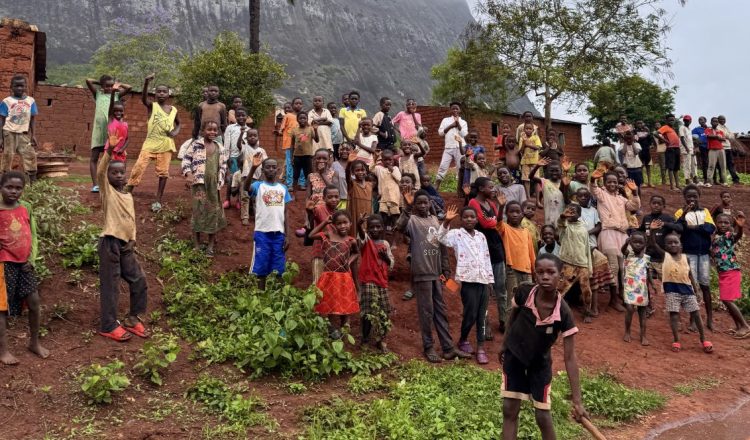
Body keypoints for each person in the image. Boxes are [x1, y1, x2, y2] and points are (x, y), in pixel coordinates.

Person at [500, 254, 587, 440]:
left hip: (539, 364)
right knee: (509, 410)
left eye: (550, 272)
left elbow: (570, 357)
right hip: (514, 356)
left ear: (560, 276)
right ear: (535, 274)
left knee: (542, 416)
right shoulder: (524, 292)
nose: (545, 277)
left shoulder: (563, 311)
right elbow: (513, 317)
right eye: (540, 272)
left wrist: (577, 401)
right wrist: (504, 343)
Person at [396, 190, 470, 362]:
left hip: (436, 274)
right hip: (422, 273)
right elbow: (399, 227)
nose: (423, 205)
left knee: (440, 311)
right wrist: (407, 207)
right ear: (415, 205)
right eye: (419, 203)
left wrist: (445, 269)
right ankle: (428, 346)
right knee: (426, 312)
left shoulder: (435, 220)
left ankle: (448, 348)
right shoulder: (412, 221)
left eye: (425, 202)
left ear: (430, 203)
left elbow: (441, 244)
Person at [96, 142, 148, 342]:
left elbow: (131, 219)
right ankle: (108, 325)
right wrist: (109, 152)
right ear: (107, 178)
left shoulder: (127, 195)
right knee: (111, 286)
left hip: (126, 245)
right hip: (110, 243)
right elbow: (101, 170)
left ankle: (132, 318)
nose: (118, 176)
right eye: (114, 173)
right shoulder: (107, 193)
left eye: (121, 173)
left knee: (139, 280)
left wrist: (133, 239)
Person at [0, 171, 48, 364]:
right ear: (1, 188)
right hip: (4, 265)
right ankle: (3, 351)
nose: (14, 191)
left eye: (18, 188)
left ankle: (34, 342)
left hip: (25, 265)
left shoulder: (26, 207)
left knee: (34, 302)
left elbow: (33, 235)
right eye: (9, 187)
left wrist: (32, 259)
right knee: (2, 309)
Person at [438, 204, 494, 365]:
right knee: (470, 314)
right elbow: (441, 238)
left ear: (477, 219)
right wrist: (446, 222)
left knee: (482, 315)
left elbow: (486, 258)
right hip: (468, 281)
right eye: (466, 217)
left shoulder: (481, 237)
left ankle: (481, 347)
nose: (469, 219)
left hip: (483, 280)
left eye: (472, 217)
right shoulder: (456, 234)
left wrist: (489, 280)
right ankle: (463, 339)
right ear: (461, 220)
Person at [648, 224, 713, 353]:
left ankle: (703, 338)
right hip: (672, 292)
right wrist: (652, 231)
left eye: (675, 242)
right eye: (669, 243)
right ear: (665, 246)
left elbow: (690, 275)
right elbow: (653, 243)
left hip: (688, 291)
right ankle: (676, 340)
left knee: (696, 313)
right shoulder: (665, 256)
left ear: (680, 245)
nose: (672, 245)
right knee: (674, 315)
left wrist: (696, 290)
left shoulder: (686, 258)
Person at [125, 74, 180, 212]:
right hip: (150, 143)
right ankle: (127, 191)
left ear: (168, 94)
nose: (161, 93)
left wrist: (175, 132)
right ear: (155, 94)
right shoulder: (152, 106)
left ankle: (158, 200)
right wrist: (146, 82)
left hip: (165, 145)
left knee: (163, 173)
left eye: (164, 91)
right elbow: (143, 98)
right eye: (159, 91)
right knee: (138, 167)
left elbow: (178, 124)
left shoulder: (173, 110)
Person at [592, 172, 640, 312]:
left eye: (614, 182)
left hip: (622, 235)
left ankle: (625, 297)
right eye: (609, 182)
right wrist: (593, 179)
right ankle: (613, 300)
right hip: (608, 233)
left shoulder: (621, 199)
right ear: (605, 183)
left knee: (624, 267)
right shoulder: (602, 194)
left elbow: (634, 206)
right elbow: (593, 189)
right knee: (614, 267)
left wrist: (635, 192)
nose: (612, 184)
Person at [309, 210, 360, 340]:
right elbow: (311, 235)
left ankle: (344, 328)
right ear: (334, 225)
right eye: (339, 223)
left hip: (344, 277)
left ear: (350, 224)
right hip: (329, 277)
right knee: (330, 303)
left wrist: (349, 261)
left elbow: (356, 253)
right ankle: (331, 329)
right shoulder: (327, 235)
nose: (343, 226)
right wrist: (325, 222)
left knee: (344, 301)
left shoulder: (351, 240)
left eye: (345, 223)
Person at [467, 177, 507, 335]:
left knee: (501, 288)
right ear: (482, 189)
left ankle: (504, 320)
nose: (494, 190)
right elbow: (485, 223)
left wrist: (501, 207)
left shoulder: (491, 203)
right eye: (491, 187)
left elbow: (498, 221)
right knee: (484, 291)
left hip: (496, 248)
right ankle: (485, 325)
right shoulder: (473, 203)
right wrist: (495, 219)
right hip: (482, 251)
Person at [181, 121, 228, 256]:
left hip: (214, 185)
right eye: (209, 130)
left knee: (213, 212)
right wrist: (189, 174)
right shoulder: (196, 145)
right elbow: (186, 160)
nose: (212, 132)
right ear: (203, 131)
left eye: (215, 130)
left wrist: (221, 179)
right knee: (198, 210)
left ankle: (210, 245)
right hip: (199, 184)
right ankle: (196, 244)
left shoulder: (220, 147)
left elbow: (223, 165)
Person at [674, 185, 716, 331]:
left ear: (699, 197)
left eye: (694, 196)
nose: (692, 199)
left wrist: (693, 227)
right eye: (689, 196)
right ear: (684, 198)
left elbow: (710, 229)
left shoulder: (705, 211)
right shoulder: (680, 212)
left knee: (705, 286)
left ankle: (710, 319)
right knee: (693, 287)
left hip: (703, 254)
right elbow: (678, 228)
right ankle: (693, 320)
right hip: (689, 254)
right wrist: (684, 216)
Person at [245, 158, 291, 289]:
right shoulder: (258, 186)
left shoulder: (283, 188)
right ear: (263, 169)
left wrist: (288, 235)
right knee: (261, 268)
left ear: (278, 169)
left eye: (274, 167)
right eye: (268, 167)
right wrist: (253, 168)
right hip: (262, 233)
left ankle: (278, 297)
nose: (271, 169)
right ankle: (260, 297)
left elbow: (286, 212)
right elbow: (245, 187)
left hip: (279, 234)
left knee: (279, 268)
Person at [86, 75, 132, 192]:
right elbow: (88, 80)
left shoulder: (116, 95)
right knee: (94, 158)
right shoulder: (98, 94)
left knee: (114, 159)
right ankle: (96, 184)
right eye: (107, 86)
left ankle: (111, 182)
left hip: (112, 132)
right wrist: (100, 82)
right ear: (102, 86)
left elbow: (129, 87)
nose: (110, 88)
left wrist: (118, 84)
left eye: (111, 86)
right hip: (99, 130)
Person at [638, 195, 681, 317]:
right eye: (654, 203)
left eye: (659, 203)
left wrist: (666, 224)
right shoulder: (647, 218)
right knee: (645, 282)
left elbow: (679, 228)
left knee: (668, 283)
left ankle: (673, 308)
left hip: (663, 258)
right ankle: (648, 306)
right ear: (650, 204)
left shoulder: (667, 218)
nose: (656, 205)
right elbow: (641, 230)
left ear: (663, 206)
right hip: (648, 256)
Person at [356, 214, 394, 352]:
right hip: (368, 280)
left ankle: (381, 340)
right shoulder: (366, 241)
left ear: (383, 228)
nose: (375, 229)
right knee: (368, 310)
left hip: (382, 281)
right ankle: (365, 339)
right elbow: (361, 237)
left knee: (384, 311)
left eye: (378, 226)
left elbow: (391, 263)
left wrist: (386, 258)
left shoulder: (385, 244)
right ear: (367, 229)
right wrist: (359, 225)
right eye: (372, 227)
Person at [711, 212, 750, 338]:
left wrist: (740, 227)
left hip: (731, 271)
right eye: (720, 222)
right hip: (723, 272)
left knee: (726, 300)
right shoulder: (715, 237)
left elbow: (737, 236)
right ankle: (738, 326)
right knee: (727, 299)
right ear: (715, 223)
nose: (723, 224)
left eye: (726, 222)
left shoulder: (729, 235)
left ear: (729, 225)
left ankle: (745, 326)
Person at [495, 198, 537, 307]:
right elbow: (498, 222)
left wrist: (534, 271)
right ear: (506, 214)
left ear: (522, 214)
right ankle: (508, 323)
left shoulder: (526, 231)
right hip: (512, 269)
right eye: (511, 212)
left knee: (527, 300)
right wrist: (501, 206)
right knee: (512, 301)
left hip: (527, 271)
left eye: (518, 212)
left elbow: (531, 253)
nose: (514, 214)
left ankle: (522, 323)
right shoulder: (505, 228)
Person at [556, 204, 595, 322]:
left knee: (586, 290)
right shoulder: (565, 226)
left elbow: (586, 248)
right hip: (567, 263)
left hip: (582, 264)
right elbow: (560, 223)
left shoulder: (583, 227)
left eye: (574, 211)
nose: (571, 213)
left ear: (579, 214)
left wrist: (589, 266)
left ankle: (587, 312)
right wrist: (563, 216)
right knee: (561, 289)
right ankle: (554, 312)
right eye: (569, 211)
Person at [575, 187, 609, 317]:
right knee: (581, 279)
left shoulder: (593, 211)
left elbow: (599, 226)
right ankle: (584, 307)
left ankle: (592, 308)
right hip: (578, 249)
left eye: (586, 196)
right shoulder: (574, 209)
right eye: (580, 196)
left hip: (592, 247)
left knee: (593, 278)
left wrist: (586, 233)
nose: (583, 198)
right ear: (576, 197)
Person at [0, 75, 38, 182]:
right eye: (16, 86)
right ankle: (3, 183)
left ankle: (33, 184)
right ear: (11, 87)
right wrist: (1, 138)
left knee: (30, 156)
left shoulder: (31, 101)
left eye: (22, 86)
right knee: (7, 157)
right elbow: (1, 120)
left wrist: (33, 135)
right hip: (9, 133)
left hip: (24, 134)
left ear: (26, 87)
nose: (19, 88)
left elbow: (32, 119)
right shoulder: (7, 101)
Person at [620, 231, 651, 345]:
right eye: (635, 242)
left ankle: (643, 335)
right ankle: (627, 331)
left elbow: (647, 275)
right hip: (629, 288)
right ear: (630, 243)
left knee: (642, 313)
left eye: (640, 242)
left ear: (645, 244)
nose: (637, 244)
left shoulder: (647, 258)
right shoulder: (628, 254)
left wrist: (651, 287)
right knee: (629, 309)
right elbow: (622, 250)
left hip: (642, 290)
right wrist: (625, 244)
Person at [307, 185, 340, 284]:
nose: (334, 199)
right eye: (330, 197)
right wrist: (309, 211)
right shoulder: (319, 208)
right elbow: (312, 212)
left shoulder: (339, 213)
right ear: (324, 198)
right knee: (318, 283)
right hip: (320, 252)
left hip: (334, 254)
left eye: (336, 197)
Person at [237, 126, 267, 225]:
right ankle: (245, 217)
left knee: (256, 199)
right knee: (245, 197)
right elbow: (238, 145)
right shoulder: (245, 148)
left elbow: (265, 163)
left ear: (258, 137)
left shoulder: (262, 150)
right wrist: (241, 134)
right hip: (246, 177)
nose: (252, 137)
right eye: (250, 136)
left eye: (255, 135)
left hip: (258, 178)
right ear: (246, 138)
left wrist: (264, 175)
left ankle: (257, 217)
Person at [435, 102, 468, 191]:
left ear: (460, 110)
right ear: (450, 110)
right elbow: (440, 133)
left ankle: (460, 189)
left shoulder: (463, 122)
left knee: (460, 167)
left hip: (460, 148)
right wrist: (451, 125)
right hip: (448, 147)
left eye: (457, 108)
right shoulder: (445, 120)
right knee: (443, 166)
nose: (455, 110)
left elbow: (464, 134)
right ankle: (436, 186)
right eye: (453, 108)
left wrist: (458, 124)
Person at [529, 158, 567, 227]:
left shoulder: (564, 182)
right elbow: (531, 177)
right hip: (549, 216)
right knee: (550, 231)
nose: (554, 172)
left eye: (557, 170)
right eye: (551, 171)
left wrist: (566, 172)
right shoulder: (544, 181)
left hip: (563, 215)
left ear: (561, 171)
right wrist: (537, 166)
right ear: (547, 172)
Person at [372, 149, 402, 236]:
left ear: (393, 160)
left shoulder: (396, 168)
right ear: (382, 161)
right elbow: (371, 168)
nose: (388, 161)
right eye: (385, 160)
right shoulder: (379, 169)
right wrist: (375, 158)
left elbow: (399, 179)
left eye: (390, 160)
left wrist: (392, 170)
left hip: (394, 198)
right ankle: (382, 235)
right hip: (383, 198)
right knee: (383, 216)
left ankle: (395, 240)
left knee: (395, 217)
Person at [290, 112, 320, 192]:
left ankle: (310, 192)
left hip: (308, 156)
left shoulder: (310, 129)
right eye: (300, 118)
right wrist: (291, 157)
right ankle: (294, 193)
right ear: (297, 120)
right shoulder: (294, 130)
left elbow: (317, 140)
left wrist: (316, 130)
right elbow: (292, 145)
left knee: (309, 175)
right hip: (297, 156)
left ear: (307, 119)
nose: (302, 120)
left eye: (304, 118)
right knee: (295, 175)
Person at [280, 97, 304, 188]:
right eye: (296, 103)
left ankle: (301, 183)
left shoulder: (303, 117)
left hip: (301, 145)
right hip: (289, 145)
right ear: (292, 105)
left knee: (302, 164)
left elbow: (305, 131)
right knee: (290, 163)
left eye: (300, 103)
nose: (298, 105)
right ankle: (289, 183)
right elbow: (282, 129)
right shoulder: (288, 116)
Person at [346, 160, 373, 236]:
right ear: (353, 172)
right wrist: (349, 164)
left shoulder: (370, 185)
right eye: (357, 170)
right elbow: (347, 175)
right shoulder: (352, 184)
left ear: (366, 171)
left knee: (367, 235)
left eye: (362, 170)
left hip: (368, 213)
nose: (360, 172)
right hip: (355, 214)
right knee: (355, 233)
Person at [655, 115, 681, 191]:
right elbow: (656, 133)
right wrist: (664, 140)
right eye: (670, 120)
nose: (672, 121)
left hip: (676, 148)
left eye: (673, 120)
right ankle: (672, 186)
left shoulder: (673, 128)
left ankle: (677, 185)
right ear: (666, 121)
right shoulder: (665, 127)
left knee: (676, 168)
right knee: (671, 167)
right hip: (670, 149)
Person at [103, 86, 128, 163]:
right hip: (110, 151)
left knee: (121, 169)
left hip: (121, 151)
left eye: (120, 111)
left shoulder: (125, 124)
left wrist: (122, 149)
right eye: (116, 111)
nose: (118, 113)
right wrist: (113, 93)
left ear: (123, 111)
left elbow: (127, 139)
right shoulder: (111, 120)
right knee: (109, 169)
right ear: (112, 112)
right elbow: (111, 105)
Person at [519, 122, 542, 197]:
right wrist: (523, 143)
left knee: (536, 180)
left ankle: (538, 200)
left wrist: (527, 144)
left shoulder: (536, 137)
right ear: (524, 129)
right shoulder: (522, 138)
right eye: (526, 128)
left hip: (535, 162)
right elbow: (521, 151)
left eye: (530, 129)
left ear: (533, 130)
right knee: (526, 180)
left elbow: (538, 148)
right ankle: (528, 198)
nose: (528, 130)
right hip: (525, 162)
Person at [704, 116, 727, 188]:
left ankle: (724, 181)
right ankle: (709, 182)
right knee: (711, 166)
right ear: (711, 122)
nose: (715, 122)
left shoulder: (720, 131)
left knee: (723, 166)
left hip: (721, 149)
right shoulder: (708, 129)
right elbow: (708, 136)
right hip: (712, 149)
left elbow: (723, 139)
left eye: (716, 121)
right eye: (714, 121)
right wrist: (717, 137)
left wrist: (717, 137)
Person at [717, 115, 740, 184]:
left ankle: (735, 179)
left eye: (724, 119)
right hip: (722, 147)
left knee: (731, 164)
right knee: (722, 165)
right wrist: (730, 135)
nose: (723, 121)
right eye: (721, 119)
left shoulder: (726, 127)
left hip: (728, 147)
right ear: (718, 120)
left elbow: (730, 136)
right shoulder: (717, 127)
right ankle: (722, 179)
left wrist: (729, 135)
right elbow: (726, 135)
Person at [634, 120, 654, 188]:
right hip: (640, 151)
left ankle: (649, 182)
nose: (639, 124)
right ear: (636, 124)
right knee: (640, 167)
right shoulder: (635, 132)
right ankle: (642, 182)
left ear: (643, 124)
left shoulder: (647, 131)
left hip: (647, 150)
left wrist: (650, 145)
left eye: (641, 123)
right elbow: (635, 140)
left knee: (648, 166)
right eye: (638, 123)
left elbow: (650, 140)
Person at [679, 115, 698, 185]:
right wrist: (686, 148)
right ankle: (687, 179)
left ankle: (695, 178)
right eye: (685, 120)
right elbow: (682, 138)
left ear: (690, 121)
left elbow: (691, 140)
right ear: (683, 121)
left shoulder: (689, 129)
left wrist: (693, 148)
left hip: (691, 148)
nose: (686, 121)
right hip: (685, 149)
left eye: (688, 120)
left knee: (694, 164)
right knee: (687, 164)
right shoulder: (682, 127)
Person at [331, 142, 350, 209]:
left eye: (347, 149)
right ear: (339, 151)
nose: (344, 151)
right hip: (339, 200)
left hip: (352, 200)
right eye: (342, 149)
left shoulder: (354, 165)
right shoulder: (334, 165)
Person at [692, 116, 709, 185]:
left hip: (711, 147)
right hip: (702, 147)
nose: (700, 121)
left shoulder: (709, 128)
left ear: (705, 120)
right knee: (705, 163)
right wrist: (697, 143)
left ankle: (713, 178)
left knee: (711, 163)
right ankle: (705, 178)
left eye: (702, 120)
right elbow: (693, 137)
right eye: (699, 120)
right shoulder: (696, 129)